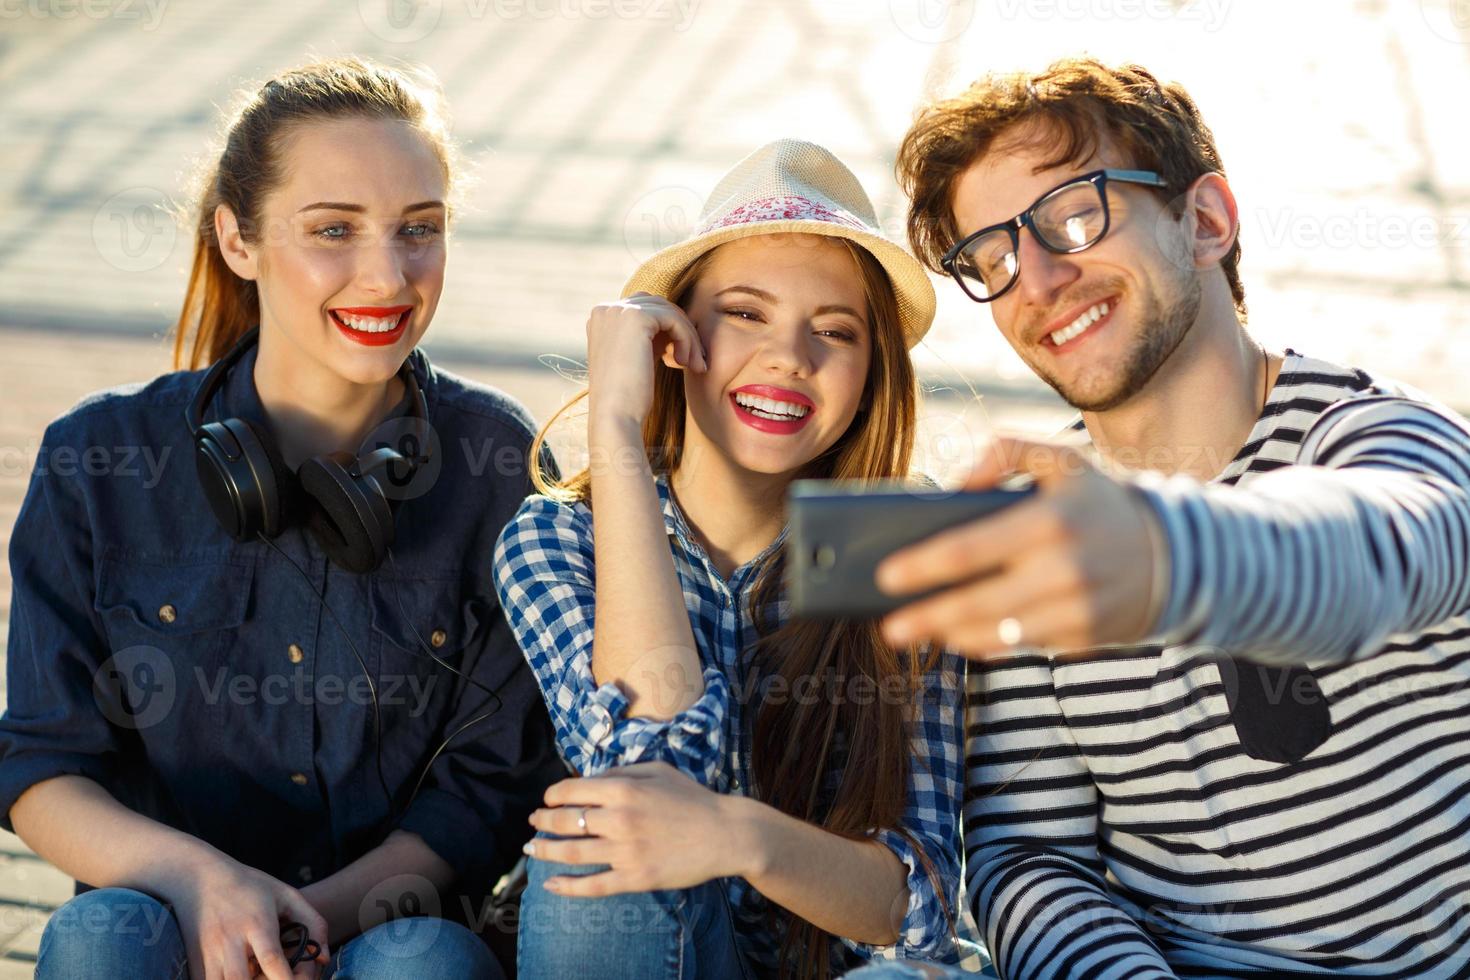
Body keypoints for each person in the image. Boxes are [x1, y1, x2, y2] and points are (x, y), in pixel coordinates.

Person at [847, 57, 1470, 978]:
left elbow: (1380, 550)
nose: (1039, 279)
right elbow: (1032, 857)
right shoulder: (1039, 521)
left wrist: (1163, 558)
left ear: (1206, 221)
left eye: (1073, 215)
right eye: (994, 258)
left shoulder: (1378, 434)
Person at [1, 56, 563, 979]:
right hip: (165, 921)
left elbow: (480, 797)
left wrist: (289, 925)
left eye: (419, 229)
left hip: (388, 925)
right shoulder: (96, 460)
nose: (386, 275)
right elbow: (40, 766)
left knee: (424, 962)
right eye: (333, 230)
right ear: (239, 240)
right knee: (100, 939)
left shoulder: (497, 466)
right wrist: (203, 887)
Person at [492, 139, 969, 978]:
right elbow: (645, 770)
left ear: (869, 375)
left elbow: (913, 906)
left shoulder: (904, 542)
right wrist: (615, 437)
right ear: (674, 339)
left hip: (839, 966)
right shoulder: (557, 539)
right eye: (746, 313)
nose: (790, 356)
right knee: (595, 842)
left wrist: (737, 836)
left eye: (834, 330)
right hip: (658, 950)